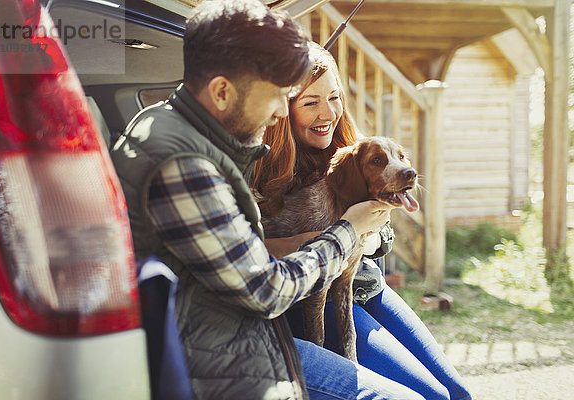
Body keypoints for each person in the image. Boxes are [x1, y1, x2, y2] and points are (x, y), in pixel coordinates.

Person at [110, 0, 426, 399]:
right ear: (223, 91)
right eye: (277, 95)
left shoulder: (188, 137)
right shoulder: (183, 162)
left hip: (242, 330)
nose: (281, 111)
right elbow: (267, 289)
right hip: (228, 356)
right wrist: (349, 231)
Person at [252, 42, 472, 400]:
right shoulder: (262, 166)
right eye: (310, 102)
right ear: (283, 108)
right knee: (434, 397)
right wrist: (333, 236)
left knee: (457, 393)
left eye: (335, 97)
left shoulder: (352, 147)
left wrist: (369, 235)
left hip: (367, 287)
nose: (328, 113)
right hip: (312, 298)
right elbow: (254, 253)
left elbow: (381, 236)